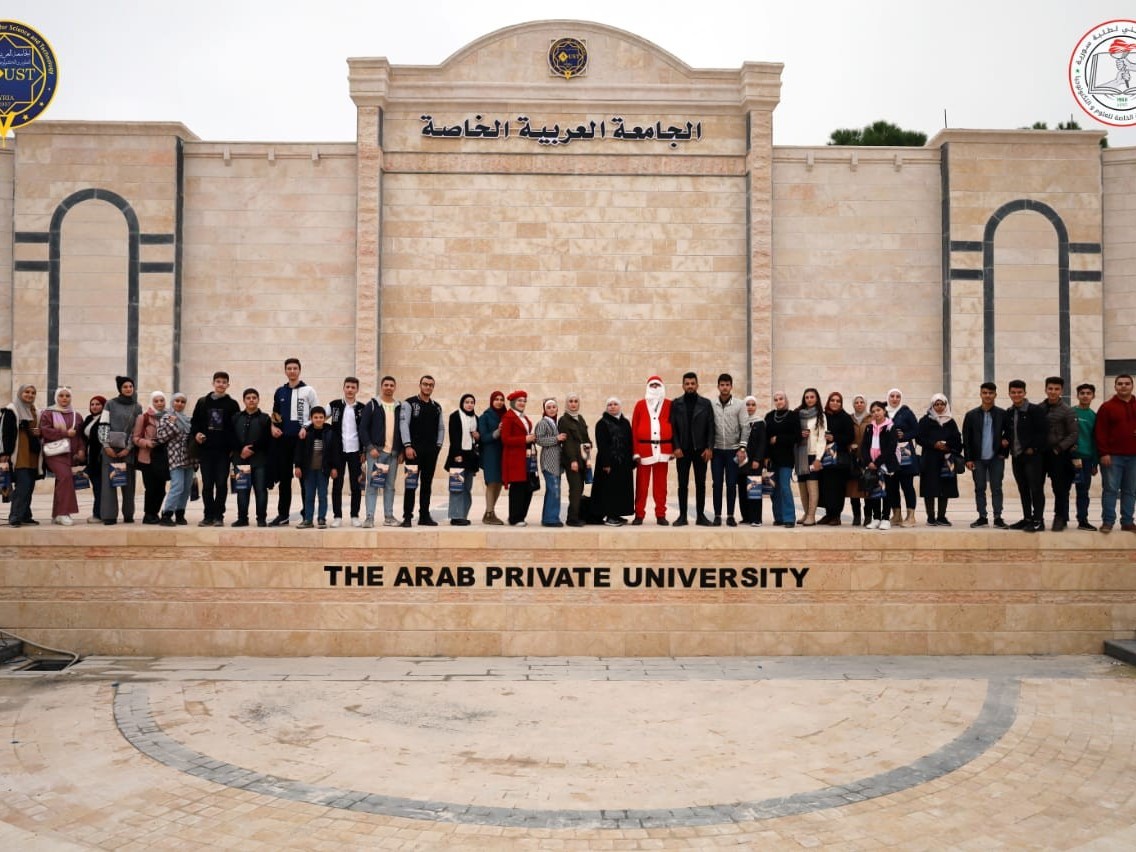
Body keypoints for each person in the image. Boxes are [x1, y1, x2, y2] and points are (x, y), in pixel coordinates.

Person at [269, 357, 318, 526]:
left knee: (304, 479)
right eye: (289, 368)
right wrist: (273, 427)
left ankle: (307, 514)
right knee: (284, 480)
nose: (292, 371)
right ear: (285, 371)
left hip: (302, 441)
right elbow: (275, 413)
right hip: (283, 442)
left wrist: (306, 427)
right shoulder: (280, 392)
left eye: (295, 368)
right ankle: (283, 515)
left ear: (299, 370)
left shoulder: (309, 390)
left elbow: (316, 413)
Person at [190, 371, 240, 527]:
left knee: (221, 484)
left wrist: (233, 448)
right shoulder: (202, 402)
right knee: (207, 485)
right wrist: (197, 434)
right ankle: (208, 516)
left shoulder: (232, 404)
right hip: (206, 451)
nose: (221, 384)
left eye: (224, 382)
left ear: (228, 385)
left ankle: (219, 516)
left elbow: (235, 428)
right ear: (213, 383)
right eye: (218, 381)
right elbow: (195, 423)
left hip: (223, 452)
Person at [962, 382, 1009, 529]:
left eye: (990, 393)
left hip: (996, 458)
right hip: (978, 458)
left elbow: (1008, 435)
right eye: (985, 393)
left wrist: (1003, 453)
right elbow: (967, 439)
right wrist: (968, 459)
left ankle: (998, 517)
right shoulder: (971, 415)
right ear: (980, 394)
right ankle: (982, 517)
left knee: (996, 487)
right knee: (979, 487)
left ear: (995, 394)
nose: (987, 395)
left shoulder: (1002, 414)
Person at [399, 375, 444, 527]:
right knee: (411, 484)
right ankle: (407, 516)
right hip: (413, 451)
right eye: (425, 384)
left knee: (427, 484)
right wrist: (407, 446)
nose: (428, 387)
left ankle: (424, 515)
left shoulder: (436, 407)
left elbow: (441, 428)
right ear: (420, 385)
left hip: (430, 452)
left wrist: (437, 447)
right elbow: (404, 425)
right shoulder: (409, 403)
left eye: (431, 385)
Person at [670, 372, 713, 526]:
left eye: (692, 383)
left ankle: (701, 516)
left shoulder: (706, 404)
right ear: (683, 385)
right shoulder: (676, 404)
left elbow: (710, 427)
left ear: (697, 385)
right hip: (682, 451)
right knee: (682, 484)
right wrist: (675, 447)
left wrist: (709, 447)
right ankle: (682, 516)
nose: (690, 386)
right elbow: (672, 428)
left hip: (700, 450)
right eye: (687, 383)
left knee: (700, 484)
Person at [1094, 373, 1136, 534]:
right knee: (1110, 489)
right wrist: (1104, 453)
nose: (1123, 386)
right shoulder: (1107, 407)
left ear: (1132, 386)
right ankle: (1108, 521)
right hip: (1113, 457)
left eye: (1127, 383)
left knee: (1130, 490)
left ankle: (1127, 522)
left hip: (1134, 457)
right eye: (1120, 384)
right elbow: (1100, 432)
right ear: (1115, 386)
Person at [1006, 379, 1049, 532]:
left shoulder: (1035, 410)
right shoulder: (1010, 412)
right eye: (1013, 392)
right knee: (1023, 488)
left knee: (1035, 488)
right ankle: (1027, 518)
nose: (1016, 395)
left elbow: (1042, 432)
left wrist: (1033, 448)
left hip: (1033, 457)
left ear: (1024, 393)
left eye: (1019, 392)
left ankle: (1038, 520)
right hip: (1017, 456)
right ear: (1009, 393)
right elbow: (1008, 433)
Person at [98, 376, 142, 525]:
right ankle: (109, 516)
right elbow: (103, 425)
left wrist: (129, 448)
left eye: (131, 386)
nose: (128, 389)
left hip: (127, 451)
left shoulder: (137, 407)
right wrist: (106, 446)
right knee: (109, 484)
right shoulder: (110, 404)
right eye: (125, 387)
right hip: (109, 450)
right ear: (120, 389)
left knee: (128, 484)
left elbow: (137, 430)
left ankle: (128, 514)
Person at [360, 375, 403, 528]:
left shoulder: (399, 407)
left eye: (392, 385)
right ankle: (369, 518)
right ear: (381, 386)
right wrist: (370, 448)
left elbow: (403, 430)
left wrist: (401, 451)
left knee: (390, 486)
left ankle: (389, 517)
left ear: (395, 387)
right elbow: (363, 429)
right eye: (386, 385)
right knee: (372, 486)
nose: (389, 387)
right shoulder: (372, 405)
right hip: (376, 453)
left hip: (393, 454)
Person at [38, 387, 85, 526]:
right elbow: (45, 431)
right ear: (56, 397)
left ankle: (57, 514)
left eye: (67, 396)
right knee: (65, 477)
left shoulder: (77, 415)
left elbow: (80, 436)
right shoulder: (48, 413)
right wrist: (64, 433)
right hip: (54, 453)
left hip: (70, 454)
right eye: (61, 396)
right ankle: (64, 513)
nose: (64, 398)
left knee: (62, 481)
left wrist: (81, 450)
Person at [631, 375, 673, 525]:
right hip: (644, 450)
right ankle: (639, 514)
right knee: (642, 485)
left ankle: (661, 514)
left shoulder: (669, 405)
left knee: (661, 486)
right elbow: (634, 429)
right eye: (652, 385)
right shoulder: (640, 405)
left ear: (662, 387)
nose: (655, 388)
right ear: (648, 387)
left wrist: (673, 448)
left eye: (657, 385)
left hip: (663, 450)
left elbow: (676, 428)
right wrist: (635, 451)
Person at [917, 394, 963, 525]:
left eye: (942, 404)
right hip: (930, 459)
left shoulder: (950, 421)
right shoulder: (925, 420)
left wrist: (947, 446)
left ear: (946, 405)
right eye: (936, 404)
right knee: (929, 488)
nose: (939, 406)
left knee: (945, 487)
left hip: (946, 459)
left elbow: (957, 439)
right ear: (932, 405)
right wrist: (934, 444)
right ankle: (930, 517)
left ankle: (941, 516)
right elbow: (919, 438)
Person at [1039, 376, 1078, 532]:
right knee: (1037, 487)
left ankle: (1060, 517)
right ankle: (1038, 518)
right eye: (1050, 388)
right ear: (1046, 389)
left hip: (1059, 455)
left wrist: (1058, 448)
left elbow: (1073, 434)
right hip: (1041, 455)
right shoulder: (1039, 408)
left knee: (1060, 488)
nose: (1053, 392)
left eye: (1056, 389)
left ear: (1061, 390)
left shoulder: (1068, 410)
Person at [1, 384, 43, 527]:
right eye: (27, 392)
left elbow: (40, 430)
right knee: (23, 485)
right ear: (20, 393)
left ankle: (25, 515)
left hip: (32, 454)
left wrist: (39, 432)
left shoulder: (35, 411)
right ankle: (15, 516)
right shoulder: (11, 410)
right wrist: (4, 452)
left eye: (33, 392)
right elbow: (4, 433)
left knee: (29, 486)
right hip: (18, 454)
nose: (30, 395)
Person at [327, 377, 365, 527]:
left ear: (357, 390)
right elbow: (319, 416)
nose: (350, 390)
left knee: (356, 485)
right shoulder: (334, 405)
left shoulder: (362, 408)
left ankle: (355, 515)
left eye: (353, 387)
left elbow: (366, 429)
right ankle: (337, 516)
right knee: (338, 483)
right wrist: (305, 427)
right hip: (338, 451)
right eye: (347, 387)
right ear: (343, 388)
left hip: (356, 451)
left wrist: (364, 451)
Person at [231, 388, 272, 527]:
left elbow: (266, 439)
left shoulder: (265, 418)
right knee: (242, 491)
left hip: (259, 461)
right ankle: (242, 518)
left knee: (260, 490)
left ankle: (261, 519)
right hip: (241, 460)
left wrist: (251, 449)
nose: (251, 400)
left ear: (258, 399)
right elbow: (231, 437)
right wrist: (240, 450)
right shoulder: (236, 417)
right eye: (248, 398)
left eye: (254, 397)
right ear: (244, 400)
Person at [293, 405, 339, 529]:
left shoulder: (330, 433)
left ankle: (321, 518)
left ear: (325, 418)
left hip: (323, 470)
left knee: (323, 495)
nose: (318, 419)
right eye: (315, 417)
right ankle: (308, 519)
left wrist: (334, 467)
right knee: (309, 495)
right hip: (308, 470)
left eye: (321, 417)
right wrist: (297, 466)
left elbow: (335, 452)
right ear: (311, 418)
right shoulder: (305, 433)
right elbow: (299, 450)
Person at [709, 373, 746, 526]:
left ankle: (730, 515)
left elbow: (745, 427)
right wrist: (709, 447)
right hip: (716, 451)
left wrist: (742, 448)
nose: (724, 387)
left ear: (731, 386)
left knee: (731, 484)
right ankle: (717, 515)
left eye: (727, 385)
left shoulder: (739, 404)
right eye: (722, 385)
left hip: (733, 451)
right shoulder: (711, 404)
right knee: (717, 484)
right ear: (718, 386)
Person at [592, 397, 635, 526]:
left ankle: (617, 514)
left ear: (620, 406)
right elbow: (602, 445)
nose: (612, 406)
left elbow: (630, 443)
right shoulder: (602, 423)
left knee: (621, 489)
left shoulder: (625, 422)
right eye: (609, 404)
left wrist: (633, 460)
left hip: (623, 463)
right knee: (608, 489)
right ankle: (610, 516)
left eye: (615, 404)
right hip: (609, 464)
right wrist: (606, 463)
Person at [132, 391, 170, 524]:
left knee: (161, 489)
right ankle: (148, 514)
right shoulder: (144, 418)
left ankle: (155, 513)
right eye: (156, 401)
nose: (159, 403)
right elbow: (135, 438)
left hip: (163, 458)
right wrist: (147, 443)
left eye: (162, 400)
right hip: (148, 457)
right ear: (152, 402)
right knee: (151, 488)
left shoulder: (169, 416)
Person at [860, 401, 898, 529]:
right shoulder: (869, 427)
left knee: (886, 492)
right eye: (873, 411)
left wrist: (877, 463)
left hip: (885, 465)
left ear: (884, 411)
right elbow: (864, 446)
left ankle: (885, 518)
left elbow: (890, 448)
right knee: (875, 492)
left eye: (878, 410)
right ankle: (876, 518)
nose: (876, 413)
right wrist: (868, 462)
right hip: (871, 466)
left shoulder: (890, 427)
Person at [817, 391, 854, 525]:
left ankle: (836, 516)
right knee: (825, 487)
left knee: (837, 488)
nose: (835, 403)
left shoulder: (845, 417)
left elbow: (850, 437)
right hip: (825, 458)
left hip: (839, 460)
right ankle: (828, 514)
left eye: (838, 401)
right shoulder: (823, 416)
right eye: (832, 400)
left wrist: (835, 438)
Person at [157, 392, 193, 526]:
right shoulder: (167, 417)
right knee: (177, 486)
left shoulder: (187, 419)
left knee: (186, 487)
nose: (179, 404)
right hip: (175, 457)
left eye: (182, 402)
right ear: (172, 402)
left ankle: (180, 513)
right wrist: (173, 426)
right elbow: (160, 437)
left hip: (188, 458)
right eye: (177, 401)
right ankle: (167, 514)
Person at [444, 393, 480, 525]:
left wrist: (477, 436)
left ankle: (463, 515)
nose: (469, 404)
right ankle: (455, 516)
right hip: (458, 457)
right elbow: (453, 437)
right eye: (467, 402)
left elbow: (477, 440)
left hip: (470, 457)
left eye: (472, 402)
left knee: (467, 488)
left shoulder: (476, 418)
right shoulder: (455, 416)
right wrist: (457, 454)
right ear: (462, 403)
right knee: (456, 487)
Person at [500, 390, 535, 526]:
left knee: (527, 487)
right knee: (518, 488)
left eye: (524, 401)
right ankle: (514, 517)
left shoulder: (523, 417)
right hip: (514, 458)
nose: (522, 403)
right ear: (513, 402)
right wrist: (524, 439)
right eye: (519, 401)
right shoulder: (508, 417)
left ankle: (521, 516)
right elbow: (505, 439)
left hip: (525, 457)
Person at [886, 388, 920, 527]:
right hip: (889, 454)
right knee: (892, 486)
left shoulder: (906, 412)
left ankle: (911, 516)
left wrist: (904, 436)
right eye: (892, 396)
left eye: (897, 396)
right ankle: (897, 515)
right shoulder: (884, 411)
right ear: (888, 397)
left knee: (907, 485)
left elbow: (917, 430)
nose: (895, 399)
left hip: (905, 453)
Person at [764, 391, 798, 527]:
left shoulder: (793, 416)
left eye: (781, 399)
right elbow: (765, 438)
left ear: (786, 400)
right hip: (772, 459)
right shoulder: (769, 416)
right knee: (774, 490)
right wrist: (765, 456)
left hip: (786, 459)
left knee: (784, 487)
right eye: (776, 399)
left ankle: (789, 518)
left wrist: (778, 439)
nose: (779, 401)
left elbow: (797, 437)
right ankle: (779, 517)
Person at [558, 393, 591, 527]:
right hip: (573, 461)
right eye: (570, 401)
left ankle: (576, 516)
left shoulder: (580, 418)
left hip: (582, 459)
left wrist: (588, 454)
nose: (573, 404)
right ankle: (571, 519)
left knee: (580, 488)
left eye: (576, 401)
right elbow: (568, 443)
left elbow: (585, 438)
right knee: (576, 489)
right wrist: (572, 460)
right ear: (567, 403)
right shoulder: (564, 420)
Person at [795, 388, 826, 526]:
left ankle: (812, 516)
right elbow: (793, 433)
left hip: (813, 454)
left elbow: (822, 439)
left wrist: (818, 458)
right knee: (802, 486)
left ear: (817, 398)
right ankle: (806, 513)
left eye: (812, 397)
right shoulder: (798, 414)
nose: (809, 399)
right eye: (807, 397)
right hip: (800, 455)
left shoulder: (820, 416)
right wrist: (799, 434)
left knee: (812, 486)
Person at [533, 398, 565, 527]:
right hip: (548, 461)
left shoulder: (556, 422)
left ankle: (548, 517)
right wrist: (556, 438)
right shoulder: (543, 423)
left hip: (556, 462)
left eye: (554, 407)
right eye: (549, 407)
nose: (551, 409)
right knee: (554, 490)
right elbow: (539, 440)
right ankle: (551, 519)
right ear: (545, 410)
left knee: (552, 490)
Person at [477, 391, 507, 525]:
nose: (499, 402)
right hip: (490, 453)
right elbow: (484, 437)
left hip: (503, 453)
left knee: (500, 482)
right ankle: (490, 514)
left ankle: (490, 511)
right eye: (496, 399)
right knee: (491, 482)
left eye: (501, 399)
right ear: (491, 401)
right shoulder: (485, 417)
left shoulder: (506, 415)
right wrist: (498, 432)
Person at [1072, 383, 1099, 531]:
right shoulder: (1070, 412)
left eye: (1088, 393)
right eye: (1082, 393)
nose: (1085, 395)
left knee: (1083, 491)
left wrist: (1095, 463)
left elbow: (1096, 440)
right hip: (1070, 458)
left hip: (1086, 460)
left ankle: (1082, 520)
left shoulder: (1094, 416)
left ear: (1093, 396)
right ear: (1078, 395)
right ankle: (1061, 518)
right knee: (1062, 489)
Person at [739, 396, 767, 527]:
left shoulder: (760, 422)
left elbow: (762, 443)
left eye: (752, 404)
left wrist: (757, 459)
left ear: (756, 407)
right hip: (742, 462)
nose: (750, 407)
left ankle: (756, 518)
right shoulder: (742, 422)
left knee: (754, 490)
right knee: (743, 490)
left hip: (755, 462)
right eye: (747, 404)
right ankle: (746, 517)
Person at [845, 394, 871, 526]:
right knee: (853, 490)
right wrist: (849, 446)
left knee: (867, 489)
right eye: (856, 402)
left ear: (865, 404)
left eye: (862, 402)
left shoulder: (871, 418)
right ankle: (856, 516)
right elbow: (846, 436)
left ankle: (868, 516)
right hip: (853, 460)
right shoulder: (849, 419)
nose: (859, 404)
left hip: (868, 458)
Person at [82, 395, 107, 523]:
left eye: (98, 404)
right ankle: (99, 513)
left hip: (99, 459)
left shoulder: (105, 419)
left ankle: (98, 515)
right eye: (92, 404)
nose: (95, 406)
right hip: (89, 458)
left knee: (99, 488)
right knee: (97, 487)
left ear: (103, 406)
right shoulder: (88, 419)